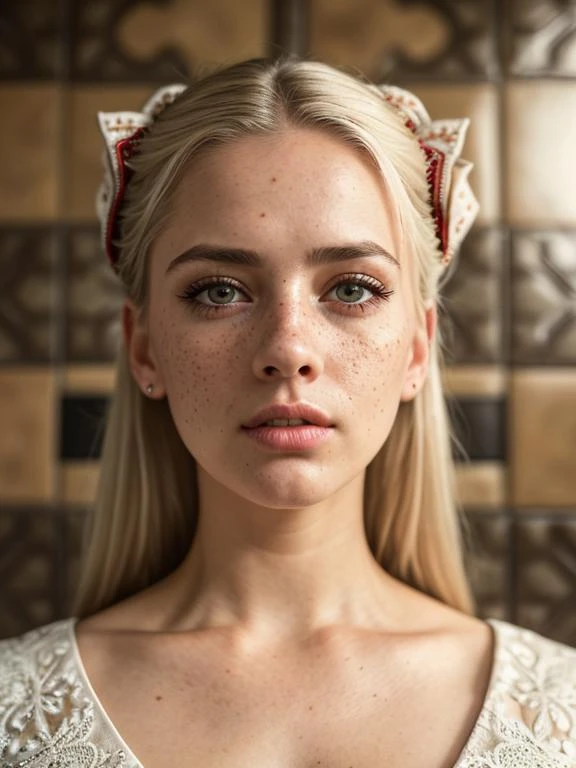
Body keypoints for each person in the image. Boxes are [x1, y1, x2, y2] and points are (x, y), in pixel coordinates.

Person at [0, 57, 574, 768]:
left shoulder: (558, 714)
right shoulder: (13, 715)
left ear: (419, 347)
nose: (288, 348)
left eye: (353, 288)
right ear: (143, 348)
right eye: (218, 291)